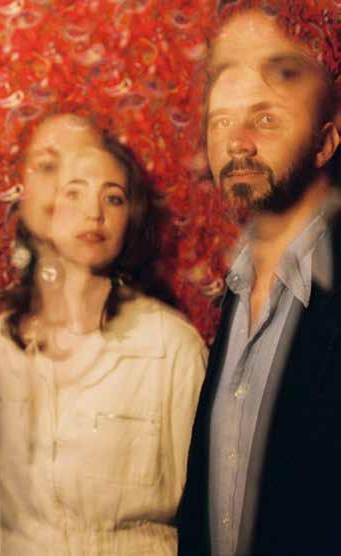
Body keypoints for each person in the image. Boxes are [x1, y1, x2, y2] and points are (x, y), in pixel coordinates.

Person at [0, 125, 206, 555]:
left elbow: (204, 509)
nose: (94, 213)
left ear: (131, 217)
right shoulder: (2, 342)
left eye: (113, 198)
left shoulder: (171, 345)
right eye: (74, 193)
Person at [178, 7, 341, 556]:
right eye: (221, 122)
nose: (238, 143)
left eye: (265, 119)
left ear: (326, 141)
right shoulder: (236, 287)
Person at [0, 113, 104, 386]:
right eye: (48, 166)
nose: (65, 184)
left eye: (83, 169)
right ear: (17, 185)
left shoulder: (161, 339)